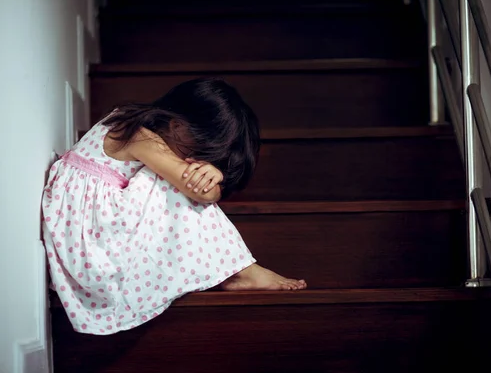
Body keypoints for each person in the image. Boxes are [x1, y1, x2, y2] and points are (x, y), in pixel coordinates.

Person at [42, 78, 307, 335]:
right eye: (199, 150)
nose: (195, 160)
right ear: (177, 124)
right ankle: (240, 271)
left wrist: (206, 176)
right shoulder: (139, 136)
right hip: (90, 242)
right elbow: (205, 193)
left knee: (172, 180)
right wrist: (209, 177)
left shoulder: (128, 122)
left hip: (84, 229)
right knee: (171, 182)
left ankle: (239, 270)